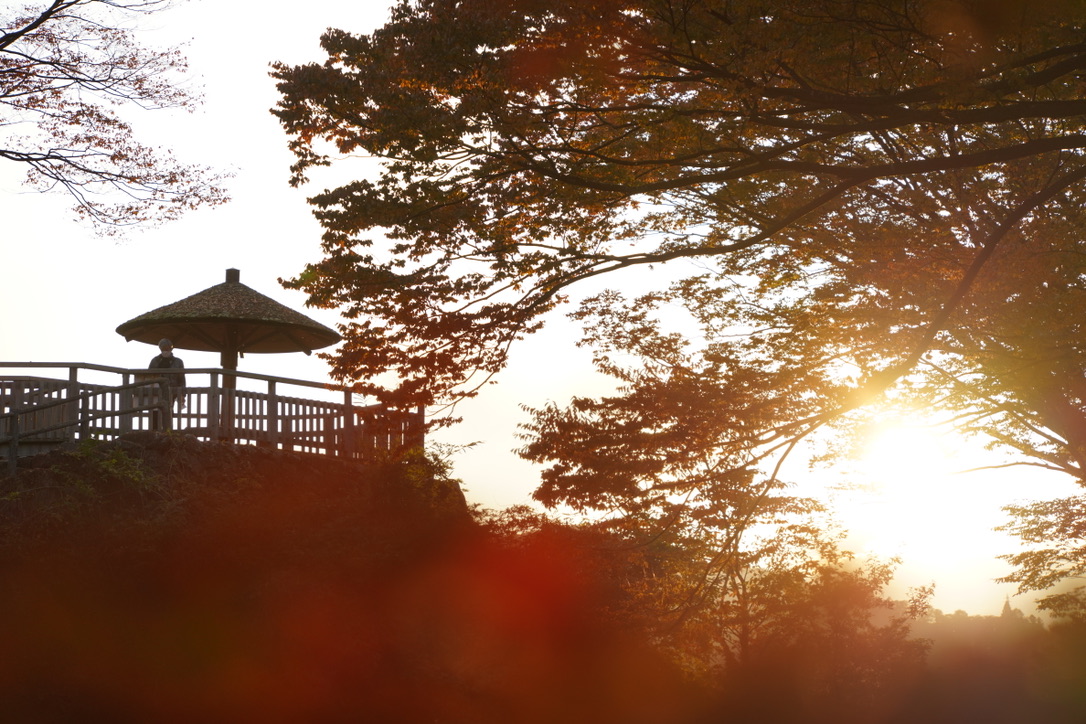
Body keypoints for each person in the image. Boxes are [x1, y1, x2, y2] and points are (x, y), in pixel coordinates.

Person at [148, 338, 186, 429]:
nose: (165, 349)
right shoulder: (155, 361)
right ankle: (155, 430)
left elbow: (182, 378)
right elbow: (149, 376)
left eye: (167, 347)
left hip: (172, 390)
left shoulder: (178, 362)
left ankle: (168, 431)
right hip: (156, 391)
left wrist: (182, 393)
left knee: (169, 411)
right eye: (163, 347)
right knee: (155, 411)